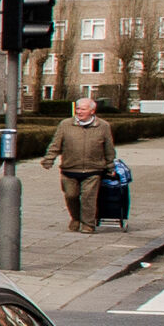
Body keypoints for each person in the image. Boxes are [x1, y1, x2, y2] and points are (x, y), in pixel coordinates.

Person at [53, 94, 118, 232]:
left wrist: (110, 165)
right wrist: (49, 158)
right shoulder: (65, 124)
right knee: (71, 195)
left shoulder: (103, 126)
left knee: (89, 198)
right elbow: (56, 144)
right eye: (78, 109)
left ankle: (88, 224)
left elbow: (108, 147)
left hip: (93, 169)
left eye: (83, 109)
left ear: (92, 111)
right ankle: (76, 218)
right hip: (69, 168)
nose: (79, 112)